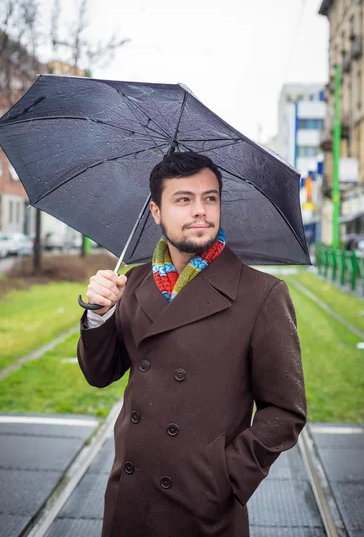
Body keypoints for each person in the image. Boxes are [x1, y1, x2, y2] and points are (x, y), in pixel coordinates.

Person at [77, 151, 307, 537]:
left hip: (205, 508)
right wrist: (99, 314)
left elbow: (286, 412)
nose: (201, 211)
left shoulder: (262, 294)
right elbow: (100, 374)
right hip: (130, 497)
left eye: (210, 198)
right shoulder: (133, 282)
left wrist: (226, 477)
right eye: (184, 199)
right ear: (155, 212)